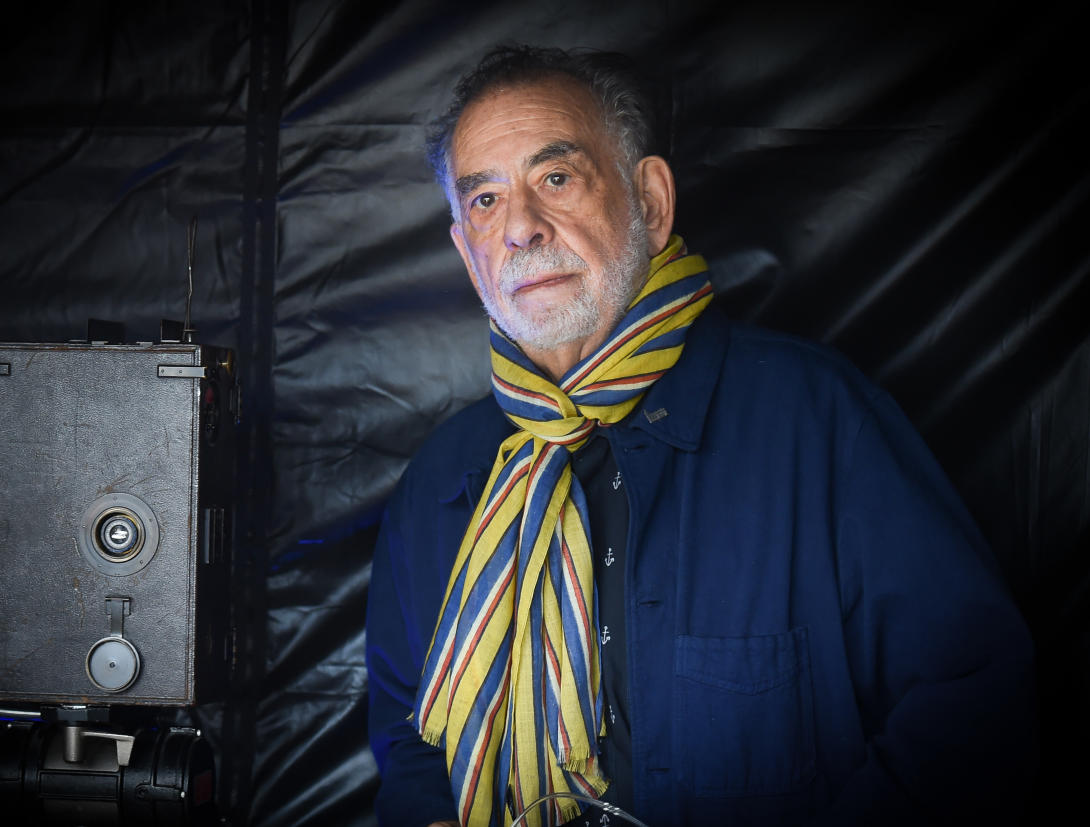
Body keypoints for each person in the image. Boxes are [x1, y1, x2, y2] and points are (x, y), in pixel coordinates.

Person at [365, 44, 1037, 827]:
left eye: (556, 178)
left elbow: (974, 702)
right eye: (484, 200)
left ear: (649, 202)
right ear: (467, 254)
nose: (520, 226)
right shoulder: (443, 479)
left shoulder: (814, 421)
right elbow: (409, 726)